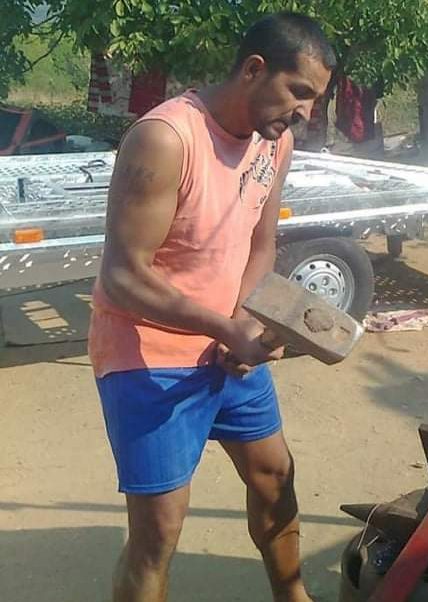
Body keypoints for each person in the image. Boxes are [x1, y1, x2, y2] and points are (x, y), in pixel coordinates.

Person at [88, 13, 335, 602]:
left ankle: (293, 596)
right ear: (254, 70)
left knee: (275, 476)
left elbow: (261, 244)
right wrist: (224, 326)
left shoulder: (277, 144)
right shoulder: (167, 138)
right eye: (299, 93)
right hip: (149, 357)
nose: (305, 112)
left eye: (315, 101)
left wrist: (243, 323)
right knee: (159, 532)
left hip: (228, 349)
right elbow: (123, 277)